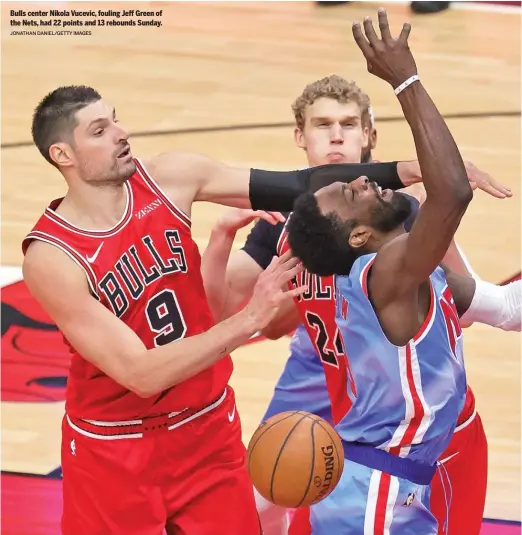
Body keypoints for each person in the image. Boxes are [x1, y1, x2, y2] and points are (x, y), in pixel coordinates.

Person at [20, 85, 439, 533]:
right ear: (63, 154)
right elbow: (140, 374)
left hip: (206, 426)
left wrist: (405, 170)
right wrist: (250, 319)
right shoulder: (52, 257)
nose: (121, 134)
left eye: (115, 120)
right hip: (114, 446)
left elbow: (296, 185)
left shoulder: (169, 176)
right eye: (100, 131)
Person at [201, 82, 498, 535]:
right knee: (259, 498)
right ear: (299, 135)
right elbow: (238, 313)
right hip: (316, 380)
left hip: (393, 401)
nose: (336, 137)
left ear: (369, 135)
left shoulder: (399, 213)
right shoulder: (284, 219)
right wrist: (222, 239)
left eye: (347, 125)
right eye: (323, 125)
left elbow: (454, 299)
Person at [284, 9, 520, 534]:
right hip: (373, 495)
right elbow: (453, 191)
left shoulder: (415, 276)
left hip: (397, 486)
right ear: (358, 237)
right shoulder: (382, 274)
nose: (365, 182)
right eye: (352, 193)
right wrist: (405, 80)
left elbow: (507, 309)